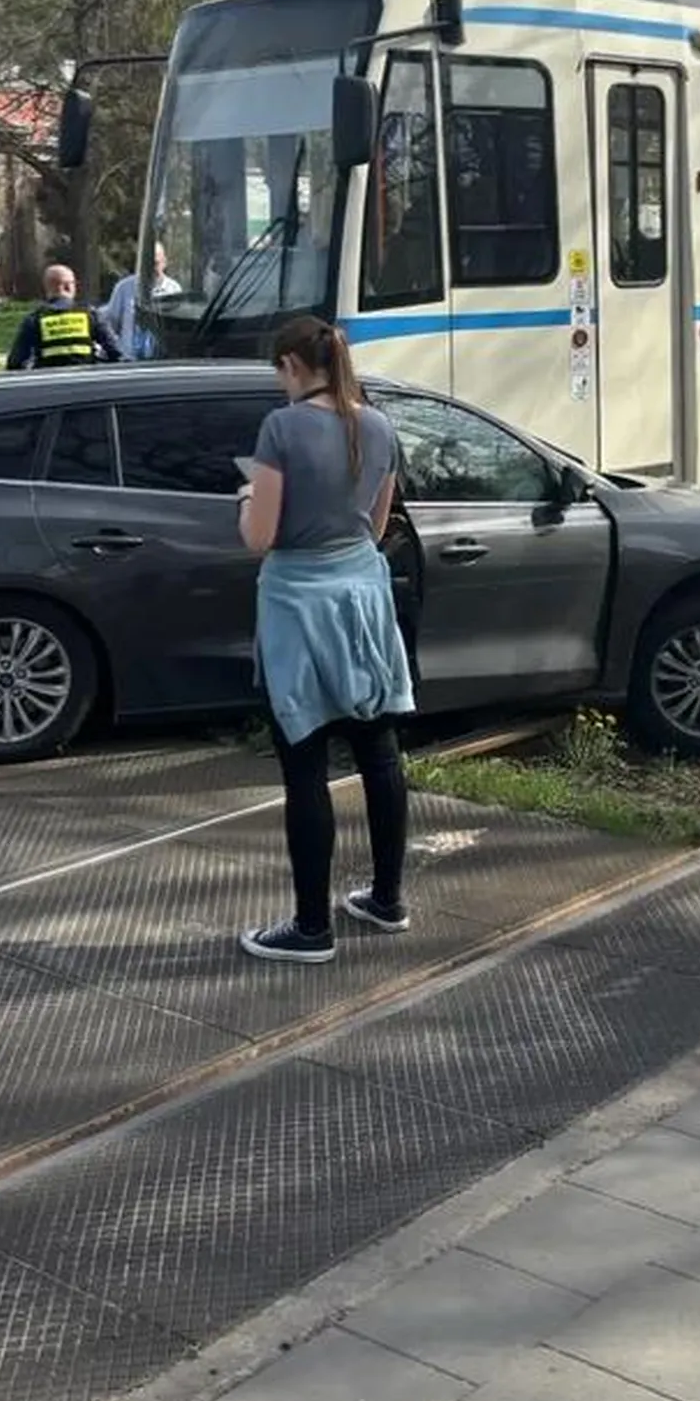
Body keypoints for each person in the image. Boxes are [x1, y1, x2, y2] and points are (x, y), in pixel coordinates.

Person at [236, 316, 413, 963]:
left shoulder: (281, 429)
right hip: (363, 598)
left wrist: (244, 501)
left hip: (299, 605)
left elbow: (260, 537)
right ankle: (386, 898)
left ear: (290, 366)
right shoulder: (379, 425)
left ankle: (312, 928)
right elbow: (376, 522)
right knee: (380, 751)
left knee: (305, 763)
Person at [4, 263, 123, 370]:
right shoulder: (90, 315)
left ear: (47, 287)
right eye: (74, 283)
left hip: (49, 385)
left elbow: (15, 362)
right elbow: (116, 353)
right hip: (86, 384)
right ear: (67, 286)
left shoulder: (34, 320)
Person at [97, 241, 181, 359]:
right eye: (147, 263)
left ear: (164, 263)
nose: (151, 268)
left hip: (160, 360)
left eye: (155, 263)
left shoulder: (173, 289)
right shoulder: (124, 288)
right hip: (129, 360)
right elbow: (111, 323)